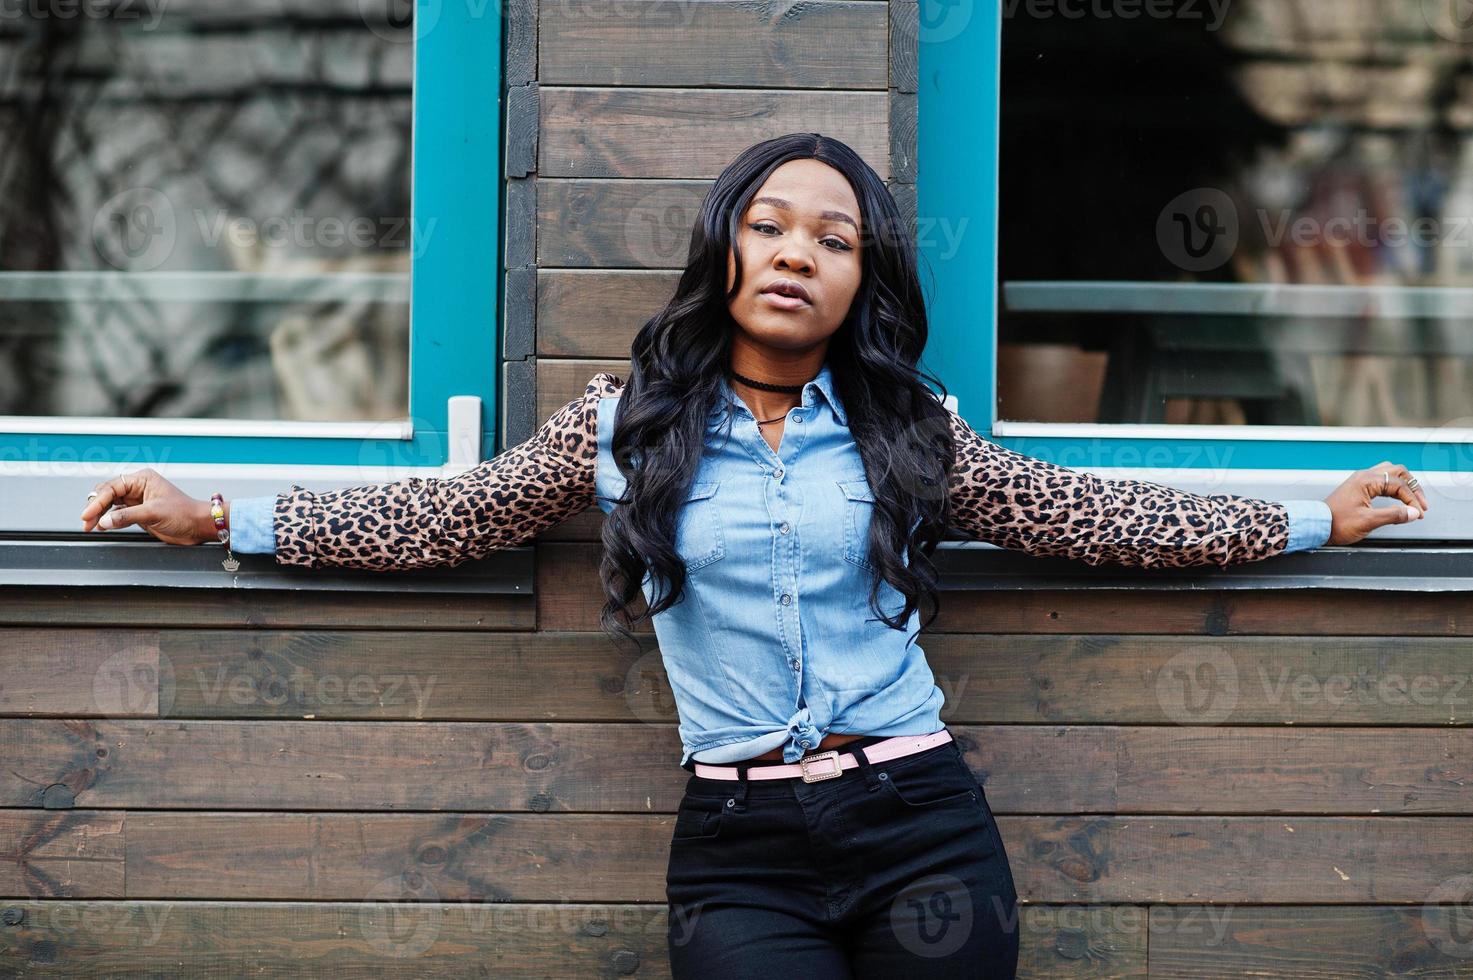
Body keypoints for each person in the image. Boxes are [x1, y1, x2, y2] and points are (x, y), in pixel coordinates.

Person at [76, 133, 1429, 979]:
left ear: (862, 282)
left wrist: (1313, 514)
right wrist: (225, 517)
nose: (796, 253)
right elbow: (451, 513)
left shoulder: (915, 428)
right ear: (724, 244)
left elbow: (1096, 515)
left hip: (920, 832)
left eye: (833, 240)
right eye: (772, 224)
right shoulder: (621, 425)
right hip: (740, 847)